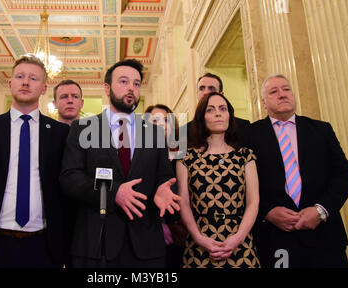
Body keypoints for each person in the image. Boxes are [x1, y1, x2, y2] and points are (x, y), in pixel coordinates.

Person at [60, 59, 181, 268]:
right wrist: (113, 192)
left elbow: (164, 177)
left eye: (136, 83)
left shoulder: (154, 133)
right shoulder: (83, 128)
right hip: (97, 245)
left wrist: (163, 189)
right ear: (107, 88)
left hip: (146, 247)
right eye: (123, 81)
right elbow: (70, 178)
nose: (131, 88)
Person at [0, 54, 70, 268]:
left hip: (43, 243)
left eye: (33, 78)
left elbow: (63, 185)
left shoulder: (60, 133)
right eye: (20, 76)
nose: (25, 82)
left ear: (43, 88)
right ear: (10, 82)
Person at [246, 74, 348, 268]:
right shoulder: (249, 136)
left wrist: (321, 210)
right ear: (264, 102)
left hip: (325, 238)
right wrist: (267, 212)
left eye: (286, 89)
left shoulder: (322, 129)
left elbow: (344, 176)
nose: (282, 94)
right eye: (274, 91)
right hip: (275, 242)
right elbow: (243, 185)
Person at [177, 92, 260, 268]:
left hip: (240, 243)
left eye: (223, 109)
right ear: (201, 117)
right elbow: (183, 201)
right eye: (210, 109)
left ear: (229, 115)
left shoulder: (244, 156)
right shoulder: (186, 157)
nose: (218, 113)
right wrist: (199, 238)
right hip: (200, 242)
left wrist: (237, 238)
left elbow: (253, 202)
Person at [144, 104, 187, 268]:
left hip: (186, 240)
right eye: (155, 121)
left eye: (166, 121)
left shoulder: (186, 157)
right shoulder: (139, 161)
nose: (161, 125)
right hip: (150, 239)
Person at [185, 73, 250, 145]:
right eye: (202, 88)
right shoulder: (183, 132)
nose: (205, 92)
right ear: (197, 94)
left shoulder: (243, 127)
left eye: (211, 88)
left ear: (221, 95)